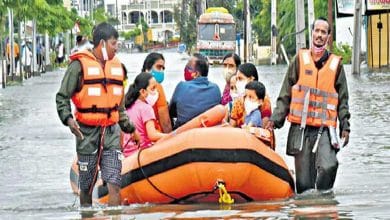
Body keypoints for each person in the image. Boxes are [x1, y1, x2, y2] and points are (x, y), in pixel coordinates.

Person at [265, 17, 351, 193]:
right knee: (304, 185)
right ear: (312, 33)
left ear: (328, 36)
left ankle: (324, 200)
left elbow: (343, 99)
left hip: (326, 129)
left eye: (323, 32)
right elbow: (285, 93)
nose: (319, 35)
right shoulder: (299, 59)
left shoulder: (336, 65)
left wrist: (345, 125)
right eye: (316, 31)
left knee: (329, 166)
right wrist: (275, 119)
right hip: (301, 128)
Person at [56, 22, 137, 206]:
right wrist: (68, 120)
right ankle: (87, 214)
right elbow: (62, 97)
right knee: (86, 187)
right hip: (86, 133)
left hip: (111, 133)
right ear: (102, 43)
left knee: (115, 183)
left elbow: (119, 106)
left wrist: (130, 129)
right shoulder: (78, 66)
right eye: (114, 43)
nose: (117, 48)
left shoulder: (118, 67)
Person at [122, 72, 168, 157]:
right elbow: (152, 135)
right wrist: (170, 136)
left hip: (127, 154)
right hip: (141, 153)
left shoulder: (128, 106)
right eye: (153, 88)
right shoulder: (146, 108)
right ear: (143, 91)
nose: (156, 92)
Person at [169, 58, 221, 129]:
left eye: (188, 67)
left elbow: (171, 111)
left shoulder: (182, 86)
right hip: (208, 132)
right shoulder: (215, 88)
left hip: (183, 134)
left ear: (196, 74)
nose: (185, 69)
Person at [230, 63, 272, 128]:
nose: (237, 82)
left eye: (240, 79)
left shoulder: (262, 99)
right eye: (237, 79)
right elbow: (232, 126)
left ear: (251, 79)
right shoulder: (238, 101)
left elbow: (264, 127)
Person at [141, 52, 172, 133]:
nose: (161, 71)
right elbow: (165, 122)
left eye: (163, 68)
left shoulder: (134, 86)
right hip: (154, 136)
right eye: (159, 67)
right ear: (148, 69)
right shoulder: (157, 88)